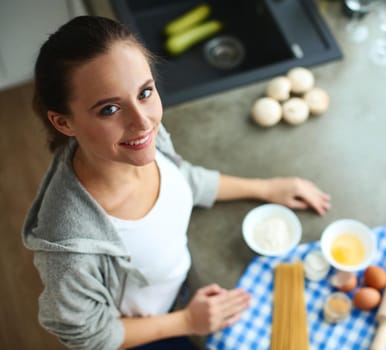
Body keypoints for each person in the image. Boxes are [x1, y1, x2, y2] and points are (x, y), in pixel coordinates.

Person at [22, 16, 331, 350]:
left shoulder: (141, 143)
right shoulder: (70, 248)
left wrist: (266, 188)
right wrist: (186, 321)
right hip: (146, 333)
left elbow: (184, 179)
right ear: (63, 122)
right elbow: (92, 336)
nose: (142, 122)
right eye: (109, 109)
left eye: (145, 92)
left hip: (178, 289)